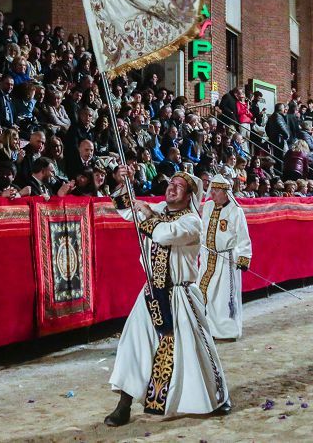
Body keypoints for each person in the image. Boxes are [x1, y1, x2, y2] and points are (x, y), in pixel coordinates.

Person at [104, 171, 229, 426]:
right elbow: (127, 210)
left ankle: (216, 396)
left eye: (179, 186)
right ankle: (124, 404)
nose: (172, 188)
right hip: (152, 292)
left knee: (195, 349)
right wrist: (122, 182)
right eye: (171, 183)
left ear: (189, 195)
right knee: (133, 344)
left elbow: (162, 234)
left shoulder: (192, 221)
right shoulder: (159, 208)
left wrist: (147, 214)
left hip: (180, 293)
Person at [197, 174, 252, 341]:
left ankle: (227, 332)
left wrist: (243, 257)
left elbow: (243, 237)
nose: (212, 194)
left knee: (223, 299)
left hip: (226, 260)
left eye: (216, 190)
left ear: (225, 192)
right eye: (211, 190)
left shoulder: (236, 211)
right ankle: (208, 330)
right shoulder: (207, 208)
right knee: (205, 294)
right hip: (208, 259)